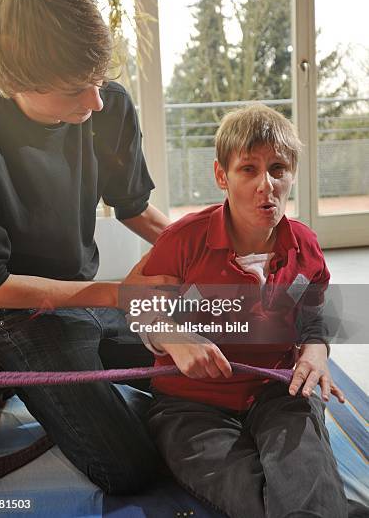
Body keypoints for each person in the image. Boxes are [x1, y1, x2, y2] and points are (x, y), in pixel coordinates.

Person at [0, 0, 176, 494]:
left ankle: (54, 364)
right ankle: (12, 358)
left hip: (90, 296)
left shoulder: (106, 105)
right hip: (18, 312)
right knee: (131, 471)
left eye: (98, 80)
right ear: (13, 80)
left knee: (233, 341)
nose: (96, 101)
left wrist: (209, 245)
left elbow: (133, 207)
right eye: (73, 91)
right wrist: (118, 294)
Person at [141, 105, 366, 517]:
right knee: (250, 493)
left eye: (279, 168)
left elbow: (314, 317)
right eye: (249, 169)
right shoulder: (183, 240)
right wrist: (174, 337)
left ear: (292, 174)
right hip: (189, 404)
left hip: (278, 389)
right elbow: (142, 309)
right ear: (221, 176)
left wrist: (315, 351)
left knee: (303, 469)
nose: (267, 185)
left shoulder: (305, 245)